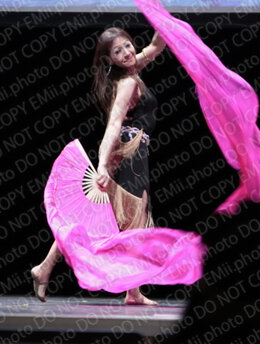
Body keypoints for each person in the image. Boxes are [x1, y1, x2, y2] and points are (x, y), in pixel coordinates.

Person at [31, 27, 167, 305]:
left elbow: (155, 47)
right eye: (118, 51)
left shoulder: (131, 69)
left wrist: (163, 20)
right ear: (109, 60)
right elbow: (114, 124)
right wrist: (103, 164)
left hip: (133, 154)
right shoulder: (126, 83)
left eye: (128, 45)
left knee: (100, 216)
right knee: (129, 221)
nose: (127, 53)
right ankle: (131, 291)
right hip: (128, 157)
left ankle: (46, 268)